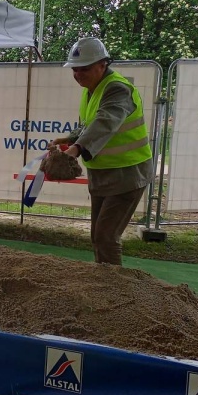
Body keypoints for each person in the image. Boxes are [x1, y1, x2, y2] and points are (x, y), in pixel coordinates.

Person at [51, 37, 154, 266]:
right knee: (98, 235)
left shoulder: (117, 88)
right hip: (104, 173)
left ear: (103, 64)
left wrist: (75, 149)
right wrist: (68, 138)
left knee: (106, 236)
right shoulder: (92, 89)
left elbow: (105, 121)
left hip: (127, 174)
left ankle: (113, 289)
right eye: (75, 70)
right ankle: (104, 282)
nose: (78, 75)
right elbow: (89, 123)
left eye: (84, 69)